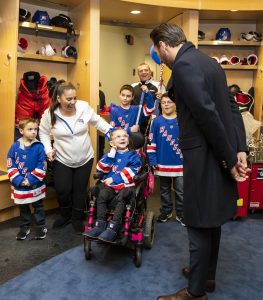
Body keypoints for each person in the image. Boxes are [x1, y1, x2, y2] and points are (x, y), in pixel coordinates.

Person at [150, 24, 248, 300]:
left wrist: (230, 157)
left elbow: (207, 114)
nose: (159, 56)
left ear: (163, 45)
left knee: (196, 221)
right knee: (211, 218)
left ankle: (195, 293)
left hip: (205, 156)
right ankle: (206, 277)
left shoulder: (183, 66)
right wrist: (239, 148)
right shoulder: (207, 62)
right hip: (218, 152)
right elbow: (231, 106)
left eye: (157, 50)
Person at [39, 81, 112, 233]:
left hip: (85, 157)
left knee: (79, 190)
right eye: (69, 99)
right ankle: (65, 215)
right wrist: (48, 150)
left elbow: (98, 122)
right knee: (62, 189)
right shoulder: (50, 114)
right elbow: (44, 133)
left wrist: (114, 134)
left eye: (74, 98)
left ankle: (77, 218)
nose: (73, 102)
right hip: (62, 158)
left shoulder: (83, 108)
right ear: (59, 98)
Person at [83, 128, 141, 242]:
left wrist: (113, 179)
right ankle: (100, 225)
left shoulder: (133, 156)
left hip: (125, 187)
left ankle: (113, 228)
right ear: (111, 143)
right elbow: (100, 168)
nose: (122, 138)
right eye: (118, 137)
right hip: (110, 187)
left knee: (122, 198)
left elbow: (132, 171)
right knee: (102, 196)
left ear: (129, 140)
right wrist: (111, 155)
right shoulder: (109, 155)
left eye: (125, 136)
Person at [7, 118, 47, 240]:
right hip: (20, 185)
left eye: (35, 129)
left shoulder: (39, 147)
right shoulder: (14, 147)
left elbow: (42, 165)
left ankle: (40, 226)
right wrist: (19, 180)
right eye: (30, 129)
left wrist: (30, 180)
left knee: (38, 206)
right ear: (21, 130)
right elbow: (10, 164)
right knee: (23, 207)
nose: (34, 132)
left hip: (35, 184)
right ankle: (25, 227)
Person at [147, 93, 184, 225]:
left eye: (169, 102)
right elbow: (152, 143)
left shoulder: (182, 120)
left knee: (181, 191)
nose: (166, 104)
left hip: (180, 164)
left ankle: (181, 214)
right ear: (160, 105)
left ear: (175, 104)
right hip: (162, 164)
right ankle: (166, 211)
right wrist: (153, 160)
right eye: (163, 102)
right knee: (164, 191)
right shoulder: (156, 121)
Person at [132, 63, 166, 133]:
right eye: (141, 71)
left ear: (150, 72)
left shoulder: (159, 86)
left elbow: (166, 103)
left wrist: (161, 99)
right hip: (136, 122)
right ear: (138, 73)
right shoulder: (132, 86)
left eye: (146, 70)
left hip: (153, 121)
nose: (143, 72)